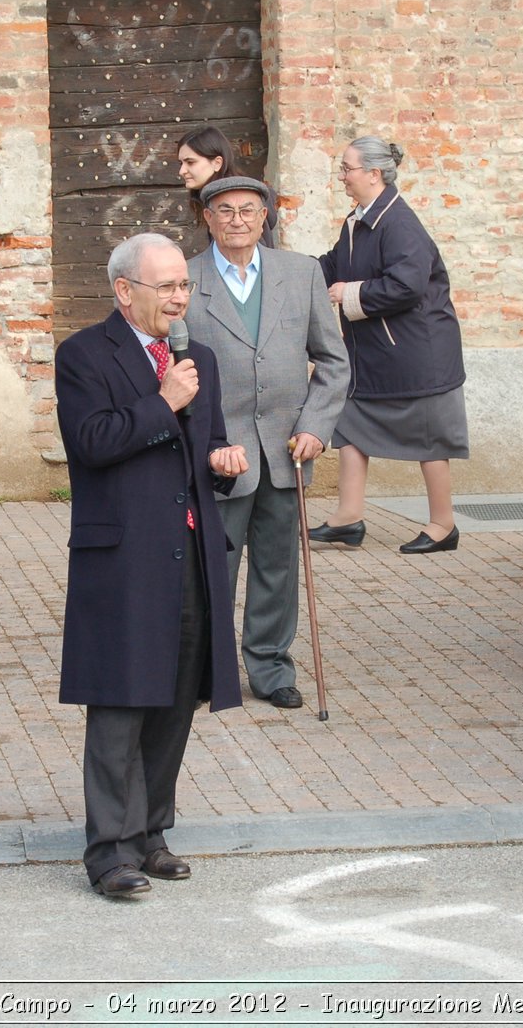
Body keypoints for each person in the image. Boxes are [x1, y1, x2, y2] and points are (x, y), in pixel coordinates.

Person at [54, 232, 247, 898]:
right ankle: (108, 852)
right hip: (123, 558)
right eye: (164, 286)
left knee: (173, 699)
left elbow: (206, 448)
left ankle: (149, 834)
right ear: (124, 291)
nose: (178, 297)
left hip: (191, 553)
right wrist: (162, 401)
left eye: (183, 285)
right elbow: (93, 442)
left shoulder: (203, 361)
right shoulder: (83, 355)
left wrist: (222, 462)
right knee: (120, 704)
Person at [183, 177, 349, 709]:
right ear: (207, 219)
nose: (236, 219)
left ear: (264, 217)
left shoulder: (300, 274)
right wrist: (202, 439)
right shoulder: (185, 279)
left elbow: (333, 361)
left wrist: (316, 427)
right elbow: (170, 368)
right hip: (219, 455)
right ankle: (208, 669)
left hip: (287, 450)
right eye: (224, 210)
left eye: (248, 210)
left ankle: (272, 667)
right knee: (213, 566)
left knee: (278, 567)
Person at [307, 135, 469, 555]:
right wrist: (293, 272)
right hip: (379, 353)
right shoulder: (360, 218)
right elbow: (333, 263)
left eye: (347, 169)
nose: (342, 177)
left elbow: (407, 286)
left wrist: (347, 293)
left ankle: (443, 525)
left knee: (430, 439)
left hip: (419, 354)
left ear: (374, 174)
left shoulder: (399, 223)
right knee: (350, 426)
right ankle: (348, 517)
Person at [176, 126, 277, 248]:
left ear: (217, 163)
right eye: (181, 163)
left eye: (190, 162)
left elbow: (250, 258)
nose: (182, 171)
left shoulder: (239, 200)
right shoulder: (212, 200)